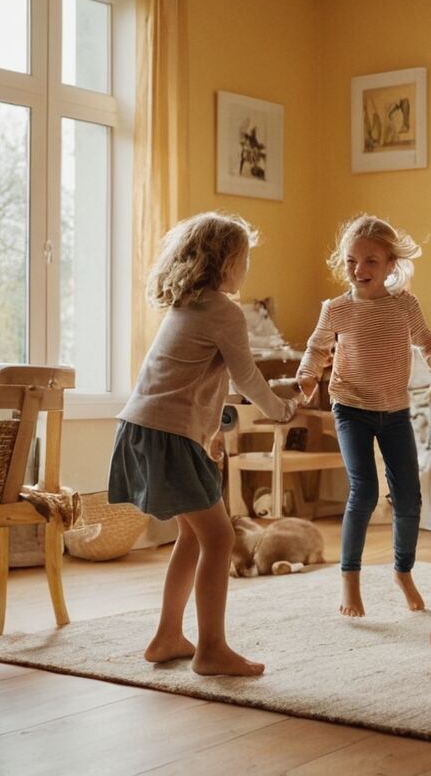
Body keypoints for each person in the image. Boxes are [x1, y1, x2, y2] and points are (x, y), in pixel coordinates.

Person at [108, 212, 300, 677]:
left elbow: (199, 382)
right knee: (220, 536)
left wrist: (209, 436)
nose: (247, 268)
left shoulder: (187, 307)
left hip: (146, 429)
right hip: (168, 435)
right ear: (225, 260)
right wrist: (280, 411)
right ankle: (211, 648)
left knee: (193, 535)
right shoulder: (224, 311)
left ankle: (168, 636)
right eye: (245, 258)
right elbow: (245, 376)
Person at [297, 214, 431, 618]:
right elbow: (317, 349)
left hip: (394, 411)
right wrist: (306, 376)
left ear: (390, 265)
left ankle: (403, 571)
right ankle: (350, 577)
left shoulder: (405, 305)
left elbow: (426, 340)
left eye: (370, 261)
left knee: (409, 498)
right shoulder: (336, 309)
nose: (358, 269)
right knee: (364, 491)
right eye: (351, 260)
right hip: (350, 407)